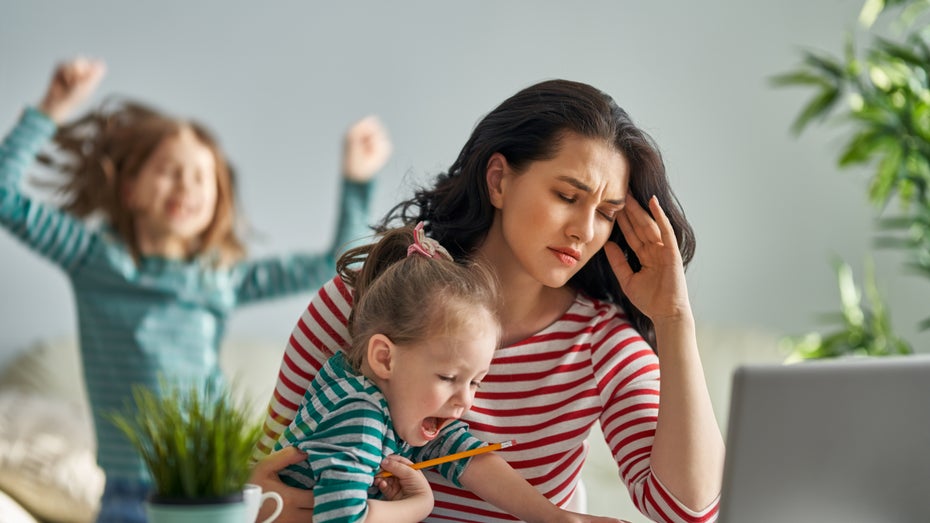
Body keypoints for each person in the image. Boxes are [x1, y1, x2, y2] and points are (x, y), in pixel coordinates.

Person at [251, 79, 725, 523]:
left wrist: (674, 319)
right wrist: (260, 502)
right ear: (498, 181)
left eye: (606, 213)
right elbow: (260, 474)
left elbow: (686, 512)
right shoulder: (363, 302)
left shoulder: (602, 345)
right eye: (566, 195)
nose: (584, 230)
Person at [0, 58, 391, 523]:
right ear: (129, 190)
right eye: (169, 169)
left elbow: (338, 265)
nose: (187, 183)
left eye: (202, 176)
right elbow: (6, 197)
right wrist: (52, 107)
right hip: (129, 494)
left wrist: (357, 180)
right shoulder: (94, 259)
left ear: (216, 202)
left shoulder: (218, 278)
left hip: (214, 488)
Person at [274, 223, 622, 523]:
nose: (465, 400)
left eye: (475, 382)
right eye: (448, 378)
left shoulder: (386, 397)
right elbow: (340, 518)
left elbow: (464, 454)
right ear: (384, 358)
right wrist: (417, 506)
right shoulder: (359, 416)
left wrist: (554, 516)